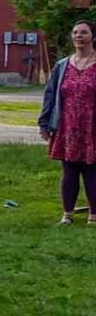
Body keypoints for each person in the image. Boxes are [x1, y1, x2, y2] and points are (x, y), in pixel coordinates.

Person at [40, 19, 96, 225]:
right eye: (75, 33)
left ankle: (94, 216)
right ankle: (67, 215)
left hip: (92, 126)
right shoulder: (62, 65)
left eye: (84, 33)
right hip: (67, 126)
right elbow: (50, 94)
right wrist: (44, 123)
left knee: (92, 170)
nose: (78, 36)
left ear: (93, 37)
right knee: (69, 170)